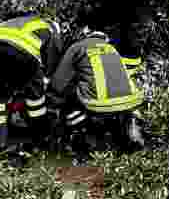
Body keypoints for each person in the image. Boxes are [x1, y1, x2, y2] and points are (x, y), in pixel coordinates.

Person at [48, 27, 145, 157]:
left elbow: (58, 83)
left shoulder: (77, 47)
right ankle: (125, 134)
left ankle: (80, 138)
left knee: (67, 95)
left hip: (98, 105)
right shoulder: (112, 49)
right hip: (130, 102)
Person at [0, 13, 64, 153]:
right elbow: (50, 64)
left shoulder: (22, 21)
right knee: (35, 97)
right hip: (22, 52)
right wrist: (46, 82)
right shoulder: (51, 29)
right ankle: (40, 135)